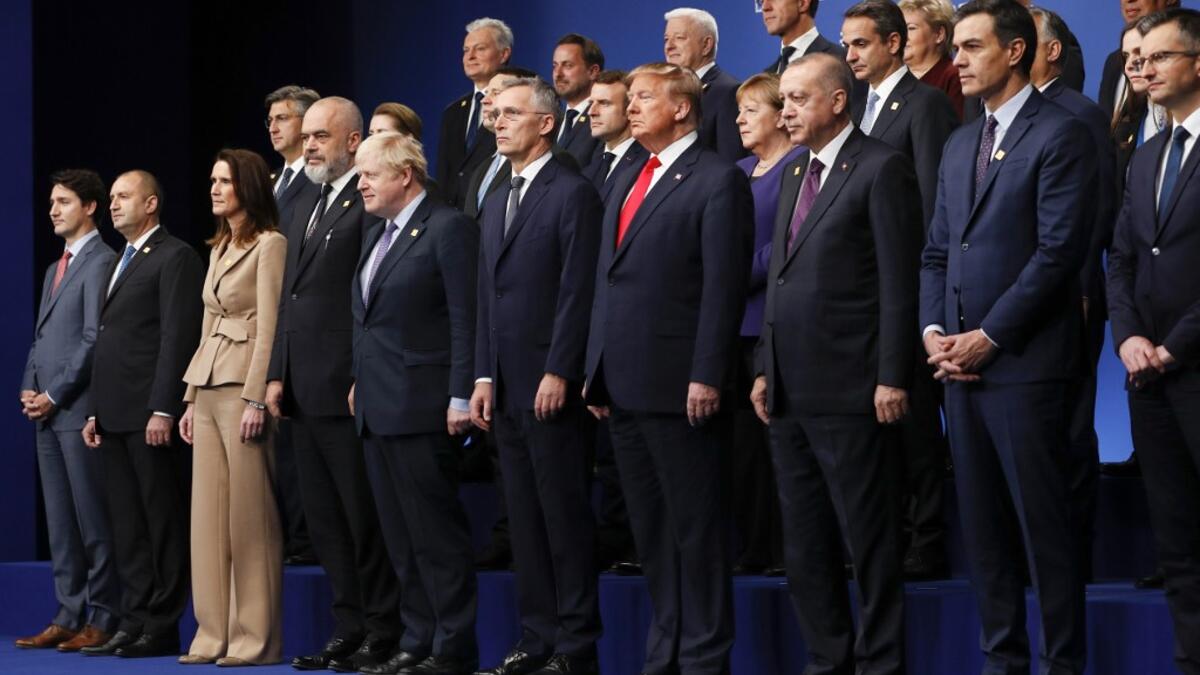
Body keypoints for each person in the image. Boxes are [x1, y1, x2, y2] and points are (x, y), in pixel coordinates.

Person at [920, 1, 1096, 672]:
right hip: (957, 368)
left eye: (969, 47)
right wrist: (936, 330)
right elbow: (938, 250)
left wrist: (989, 335)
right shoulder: (962, 139)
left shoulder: (1063, 132)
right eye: (955, 47)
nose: (955, 60)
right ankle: (1002, 661)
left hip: (1024, 365)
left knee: (1045, 537)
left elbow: (1057, 254)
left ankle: (1061, 664)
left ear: (1016, 51)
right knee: (985, 537)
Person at [751, 53, 921, 675]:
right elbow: (780, 279)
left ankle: (879, 665)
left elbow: (898, 284)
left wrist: (891, 376)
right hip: (790, 390)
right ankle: (828, 661)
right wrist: (765, 366)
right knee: (805, 544)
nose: (785, 110)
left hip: (854, 389)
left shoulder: (882, 168)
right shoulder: (797, 172)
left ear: (838, 101)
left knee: (868, 543)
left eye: (797, 99)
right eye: (783, 100)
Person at [583, 62, 753, 675]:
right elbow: (609, 278)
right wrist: (593, 369)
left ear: (682, 108)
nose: (630, 108)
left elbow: (722, 286)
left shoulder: (716, 179)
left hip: (683, 385)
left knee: (696, 534)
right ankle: (666, 655)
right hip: (623, 385)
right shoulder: (627, 171)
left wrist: (708, 373)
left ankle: (705, 659)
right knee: (652, 534)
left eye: (643, 98)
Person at [471, 77, 603, 675]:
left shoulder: (571, 192)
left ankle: (576, 645)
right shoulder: (496, 195)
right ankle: (536, 636)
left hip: (551, 382)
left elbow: (579, 290)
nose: (495, 123)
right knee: (522, 517)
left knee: (562, 515)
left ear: (545, 123)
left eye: (509, 114)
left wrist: (561, 367)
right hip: (503, 384)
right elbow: (485, 297)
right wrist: (480, 376)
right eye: (493, 115)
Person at [265, 96, 402, 674]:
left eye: (322, 135)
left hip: (346, 385)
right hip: (300, 384)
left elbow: (371, 298)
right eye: (308, 135)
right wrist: (276, 372)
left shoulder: (367, 203)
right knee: (323, 521)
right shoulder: (302, 204)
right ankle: (347, 626)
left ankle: (381, 627)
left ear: (353, 141)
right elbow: (286, 299)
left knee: (360, 516)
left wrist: (357, 373)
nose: (310, 144)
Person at [351, 132, 480, 675]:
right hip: (376, 408)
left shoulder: (447, 227)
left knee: (435, 537)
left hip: (424, 407)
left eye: (369, 174)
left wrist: (459, 394)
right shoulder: (375, 233)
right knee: (401, 539)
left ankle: (452, 647)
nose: (360, 184)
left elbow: (463, 317)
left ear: (404, 175)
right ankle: (417, 639)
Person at [843, 0, 957, 581]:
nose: (850, 55)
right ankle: (885, 531)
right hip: (859, 289)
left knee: (913, 420)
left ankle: (928, 537)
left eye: (861, 44)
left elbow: (938, 201)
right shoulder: (856, 106)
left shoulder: (927, 104)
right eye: (846, 45)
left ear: (893, 43)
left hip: (908, 281)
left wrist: (927, 288)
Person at [1107, 9, 1200, 672]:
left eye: (1162, 57)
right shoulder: (1144, 155)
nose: (1145, 69)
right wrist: (1131, 336)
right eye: (1142, 59)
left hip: (1193, 364)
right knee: (1177, 541)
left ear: (1198, 63)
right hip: (1148, 375)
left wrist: (1176, 344)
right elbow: (1122, 257)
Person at [80, 170, 203, 658]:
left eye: (123, 196)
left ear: (151, 203)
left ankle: (162, 623)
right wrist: (93, 409)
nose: (113, 205)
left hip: (150, 414)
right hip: (112, 413)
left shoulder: (176, 256)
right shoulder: (119, 261)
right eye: (110, 198)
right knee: (127, 525)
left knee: (161, 521)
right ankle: (132, 618)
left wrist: (163, 406)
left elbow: (176, 337)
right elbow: (109, 341)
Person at [176, 149, 287, 666]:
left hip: (243, 386)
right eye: (212, 180)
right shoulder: (219, 245)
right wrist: (189, 398)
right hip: (208, 381)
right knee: (208, 519)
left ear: (248, 186)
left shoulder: (271, 244)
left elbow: (269, 326)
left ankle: (254, 636)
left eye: (225, 181)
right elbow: (206, 322)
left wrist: (255, 396)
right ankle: (211, 632)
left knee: (248, 519)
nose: (215, 189)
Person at [1029, 5, 1120, 587]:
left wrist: (1085, 285)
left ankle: (1073, 564)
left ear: (1052, 49)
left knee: (1068, 431)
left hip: (1072, 294)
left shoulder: (1080, 114)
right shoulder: (1003, 120)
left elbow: (1097, 210)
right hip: (1023, 304)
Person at [16, 170, 119, 652]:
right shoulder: (53, 268)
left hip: (78, 411)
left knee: (92, 521)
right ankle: (68, 612)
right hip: (47, 412)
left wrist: (55, 394)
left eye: (64, 202)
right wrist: (28, 388)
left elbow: (93, 339)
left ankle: (102, 615)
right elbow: (42, 338)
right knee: (60, 522)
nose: (54, 210)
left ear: (90, 207)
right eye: (51, 202)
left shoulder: (102, 261)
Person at [730, 73, 799, 575]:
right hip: (731, 325)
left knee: (775, 444)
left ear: (780, 114)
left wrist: (733, 272)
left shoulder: (800, 166)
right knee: (741, 453)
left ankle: (783, 549)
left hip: (771, 323)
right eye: (738, 111)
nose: (739, 120)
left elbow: (791, 241)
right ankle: (750, 545)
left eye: (750, 110)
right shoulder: (737, 171)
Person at [263, 84, 320, 570]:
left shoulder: (319, 185)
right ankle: (289, 532)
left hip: (303, 325)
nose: (274, 126)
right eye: (271, 120)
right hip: (268, 320)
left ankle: (306, 536)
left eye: (284, 117)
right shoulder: (271, 184)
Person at [437, 17, 513, 209]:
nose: (470, 56)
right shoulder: (452, 112)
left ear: (504, 54)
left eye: (480, 49)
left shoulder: (515, 107)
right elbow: (444, 174)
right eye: (466, 50)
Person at [664, 8, 746, 162]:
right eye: (666, 39)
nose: (669, 46)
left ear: (707, 45)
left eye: (679, 38)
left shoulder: (727, 91)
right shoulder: (670, 93)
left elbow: (729, 162)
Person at [463, 66, 540, 223]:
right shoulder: (483, 166)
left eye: (496, 93)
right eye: (486, 93)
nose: (485, 100)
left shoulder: (543, 161)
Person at [1099, 0, 1179, 119]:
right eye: (1127, 55)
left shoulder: (1188, 56)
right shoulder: (1114, 62)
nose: (1128, 0)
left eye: (1159, 57)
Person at [585, 70, 648, 206]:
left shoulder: (647, 163)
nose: (591, 112)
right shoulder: (589, 168)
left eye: (604, 103)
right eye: (591, 103)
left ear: (629, 109)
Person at [265, 85, 320, 229]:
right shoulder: (267, 180)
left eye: (281, 118)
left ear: (307, 120)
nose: (272, 129)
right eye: (270, 121)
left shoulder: (321, 178)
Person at [899, 0, 964, 119]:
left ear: (939, 34)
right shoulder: (896, 78)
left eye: (911, 28)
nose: (902, 36)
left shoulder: (954, 77)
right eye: (900, 29)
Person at [552, 34, 604, 167]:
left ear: (592, 71)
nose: (558, 74)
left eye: (567, 66)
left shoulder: (603, 122)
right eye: (555, 66)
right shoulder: (552, 123)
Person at [761, 0, 848, 74]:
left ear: (803, 3)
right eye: (761, 0)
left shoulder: (843, 60)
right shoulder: (767, 76)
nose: (765, 7)